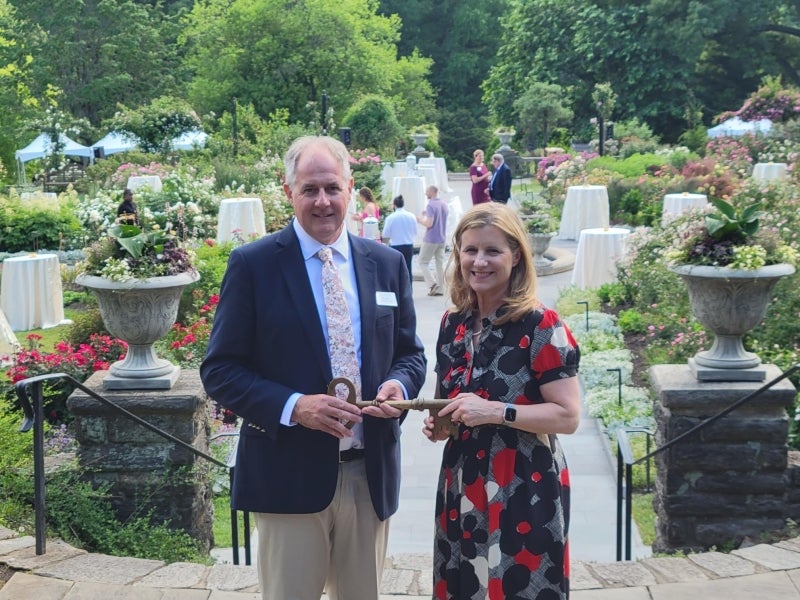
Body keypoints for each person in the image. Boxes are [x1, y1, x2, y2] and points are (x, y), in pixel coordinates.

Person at [200, 136, 427, 600]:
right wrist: (293, 406)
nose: (322, 201)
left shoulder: (385, 264)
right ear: (289, 193)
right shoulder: (254, 265)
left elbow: (411, 353)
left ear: (349, 187)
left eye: (331, 188)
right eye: (309, 190)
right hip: (288, 475)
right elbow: (220, 369)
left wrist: (398, 385)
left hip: (370, 476)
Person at [422, 202, 580, 599]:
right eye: (470, 250)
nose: (479, 261)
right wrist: (439, 424)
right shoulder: (452, 324)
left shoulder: (542, 325)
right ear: (457, 254)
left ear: (515, 257)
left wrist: (493, 411)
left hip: (523, 485)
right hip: (463, 482)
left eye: (492, 251)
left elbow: (567, 416)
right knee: (464, 585)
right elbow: (450, 402)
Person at [416, 184, 448, 297]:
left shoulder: (430, 205)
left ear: (432, 192)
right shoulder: (443, 204)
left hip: (431, 238)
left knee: (422, 261)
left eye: (427, 192)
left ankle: (432, 283)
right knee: (440, 264)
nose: (425, 193)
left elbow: (429, 223)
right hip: (442, 238)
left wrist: (420, 220)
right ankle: (441, 288)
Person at [381, 194, 418, 285]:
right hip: (409, 244)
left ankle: (398, 289)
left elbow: (385, 234)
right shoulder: (411, 216)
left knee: (396, 269)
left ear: (394, 205)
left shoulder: (391, 218)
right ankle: (409, 289)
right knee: (408, 268)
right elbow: (415, 231)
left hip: (396, 245)